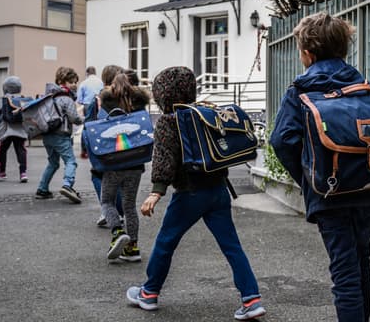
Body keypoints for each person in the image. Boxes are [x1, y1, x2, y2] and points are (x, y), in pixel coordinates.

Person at [269, 12, 370, 322]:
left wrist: (312, 176)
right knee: (361, 260)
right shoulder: (363, 85)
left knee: (343, 270)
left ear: (307, 54)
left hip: (330, 194)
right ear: (343, 49)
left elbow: (282, 140)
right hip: (368, 187)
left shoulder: (300, 91)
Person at [126, 66, 266, 320]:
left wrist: (156, 191)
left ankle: (148, 293)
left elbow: (164, 159)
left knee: (166, 241)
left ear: (162, 94)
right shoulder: (204, 113)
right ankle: (251, 298)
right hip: (218, 189)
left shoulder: (169, 121)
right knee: (232, 246)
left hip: (190, 192)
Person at [99, 72, 150, 262]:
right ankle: (133, 248)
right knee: (130, 206)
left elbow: (99, 126)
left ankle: (117, 231)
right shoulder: (140, 102)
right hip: (135, 161)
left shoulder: (106, 101)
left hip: (114, 160)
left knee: (107, 201)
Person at [36, 67, 84, 203]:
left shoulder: (49, 97)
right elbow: (74, 118)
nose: (74, 84)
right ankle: (67, 185)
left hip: (47, 135)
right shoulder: (66, 98)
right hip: (61, 136)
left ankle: (42, 189)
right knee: (71, 162)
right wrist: (85, 119)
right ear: (62, 82)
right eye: (71, 82)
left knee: (53, 163)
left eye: (75, 82)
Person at [88, 64, 125, 227]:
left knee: (98, 175)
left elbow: (89, 124)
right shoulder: (125, 97)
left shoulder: (97, 99)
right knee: (120, 176)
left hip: (102, 144)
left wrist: (86, 146)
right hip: (124, 142)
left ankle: (108, 209)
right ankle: (120, 210)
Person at [0, 76, 29, 183]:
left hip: (6, 130)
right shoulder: (22, 99)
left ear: (5, 87)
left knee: (2, 150)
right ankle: (23, 173)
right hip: (20, 129)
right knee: (21, 150)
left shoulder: (2, 100)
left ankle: (2, 172)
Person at [77, 66, 104, 158]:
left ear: (87, 73)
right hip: (98, 105)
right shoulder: (100, 82)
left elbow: (79, 100)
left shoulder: (84, 83)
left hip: (88, 105)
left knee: (86, 127)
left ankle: (84, 150)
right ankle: (98, 148)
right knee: (98, 127)